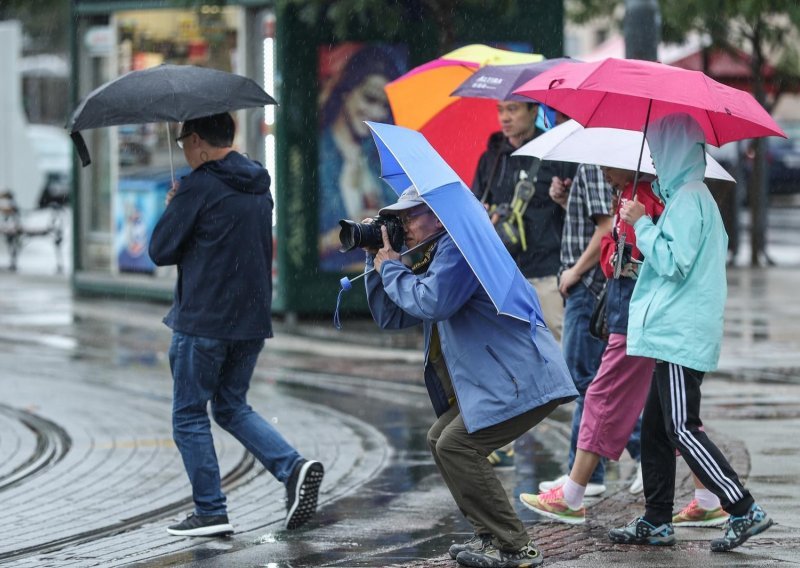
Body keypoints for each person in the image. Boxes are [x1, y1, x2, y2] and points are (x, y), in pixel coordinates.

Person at [364, 185, 578, 568]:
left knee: (456, 445)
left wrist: (392, 268)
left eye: (410, 216)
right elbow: (393, 315)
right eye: (400, 219)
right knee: (439, 438)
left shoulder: (461, 250)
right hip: (499, 379)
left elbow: (432, 301)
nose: (404, 225)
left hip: (521, 377)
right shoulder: (436, 254)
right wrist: (374, 262)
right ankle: (491, 538)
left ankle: (515, 546)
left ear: (440, 216)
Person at [149, 113, 324, 537]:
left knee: (189, 414)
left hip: (203, 320)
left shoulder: (199, 186)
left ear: (198, 142)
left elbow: (159, 250)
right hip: (249, 321)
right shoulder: (259, 184)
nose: (183, 150)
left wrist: (177, 207)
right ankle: (293, 467)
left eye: (182, 142)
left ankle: (211, 510)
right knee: (230, 406)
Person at [608, 113, 772, 551]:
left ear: (675, 151)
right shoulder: (690, 198)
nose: (657, 162)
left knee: (680, 426)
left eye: (661, 152)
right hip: (674, 332)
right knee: (658, 429)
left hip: (679, 335)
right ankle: (657, 520)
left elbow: (674, 263)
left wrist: (642, 223)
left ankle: (742, 508)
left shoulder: (688, 199)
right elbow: (679, 262)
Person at [521, 166, 664, 523]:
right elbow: (612, 247)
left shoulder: (642, 197)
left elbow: (644, 259)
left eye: (607, 171)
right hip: (627, 308)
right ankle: (699, 500)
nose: (604, 174)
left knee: (601, 391)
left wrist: (631, 231)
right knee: (669, 409)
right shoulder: (630, 195)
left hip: (628, 308)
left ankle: (577, 490)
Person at [471, 101, 577, 468]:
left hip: (546, 269)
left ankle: (593, 441)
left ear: (535, 112)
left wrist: (562, 201)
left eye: (514, 109)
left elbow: (575, 213)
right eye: (501, 109)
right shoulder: (493, 157)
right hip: (503, 273)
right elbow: (475, 204)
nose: (505, 116)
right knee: (502, 358)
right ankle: (502, 439)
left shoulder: (556, 154)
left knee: (564, 359)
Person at [536, 161, 615, 497]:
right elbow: (593, 221)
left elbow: (606, 227)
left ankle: (591, 472)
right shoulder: (589, 166)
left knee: (585, 381)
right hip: (584, 285)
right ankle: (585, 475)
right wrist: (567, 202)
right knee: (588, 382)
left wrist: (576, 273)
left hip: (587, 286)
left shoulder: (597, 164)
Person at [318, 44, 403, 272]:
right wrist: (335, 239)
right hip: (331, 287)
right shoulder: (316, 156)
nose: (377, 113)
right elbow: (295, 243)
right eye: (370, 99)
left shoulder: (380, 156)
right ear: (346, 91)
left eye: (385, 106)